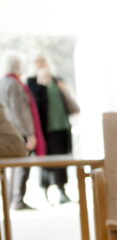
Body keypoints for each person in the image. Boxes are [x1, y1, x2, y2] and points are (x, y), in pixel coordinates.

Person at [27, 53, 78, 204]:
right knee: (47, 161)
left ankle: (62, 191)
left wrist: (64, 89)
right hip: (46, 129)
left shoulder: (57, 80)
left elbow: (68, 101)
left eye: (42, 60)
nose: (40, 63)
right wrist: (42, 85)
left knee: (62, 160)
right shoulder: (32, 82)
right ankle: (46, 191)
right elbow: (35, 105)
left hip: (62, 126)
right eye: (37, 61)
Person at [0, 52, 46, 210]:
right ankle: (18, 199)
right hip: (19, 131)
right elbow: (18, 111)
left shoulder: (4, 82)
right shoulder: (14, 83)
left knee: (14, 167)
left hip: (12, 130)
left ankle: (13, 198)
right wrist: (29, 134)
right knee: (22, 165)